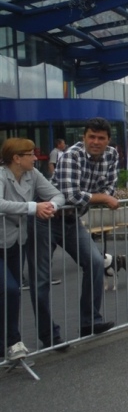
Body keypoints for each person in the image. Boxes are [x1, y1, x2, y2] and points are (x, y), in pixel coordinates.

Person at [29, 117, 118, 345]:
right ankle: (49, 335)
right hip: (46, 219)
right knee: (41, 279)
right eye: (91, 137)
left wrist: (103, 195)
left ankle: (90, 321)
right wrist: (103, 197)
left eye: (101, 138)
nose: (95, 142)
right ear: (84, 137)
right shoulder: (72, 155)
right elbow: (72, 195)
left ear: (108, 140)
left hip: (71, 220)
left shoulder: (112, 155)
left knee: (96, 262)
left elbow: (111, 187)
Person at [0, 138, 65, 359]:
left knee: (12, 292)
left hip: (16, 242)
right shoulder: (1, 175)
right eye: (31, 154)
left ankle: (8, 344)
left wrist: (50, 206)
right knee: (9, 289)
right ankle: (13, 341)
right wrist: (33, 207)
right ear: (17, 158)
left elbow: (58, 194)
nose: (36, 158)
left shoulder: (32, 174)